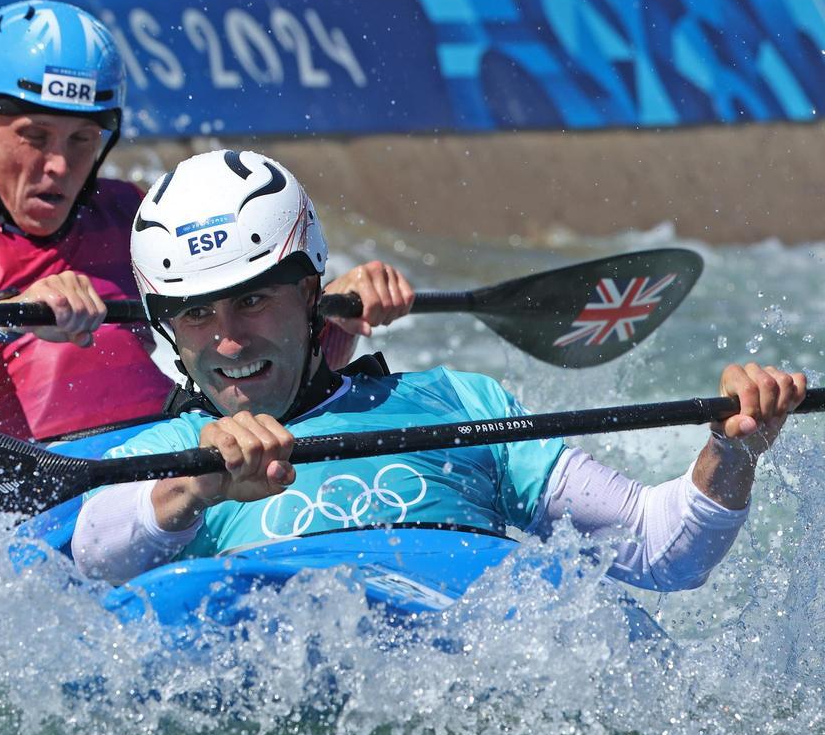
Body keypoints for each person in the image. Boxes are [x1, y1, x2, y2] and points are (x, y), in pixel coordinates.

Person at [71, 149, 808, 590]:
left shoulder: (458, 403)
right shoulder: (164, 463)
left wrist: (731, 449)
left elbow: (657, 552)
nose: (227, 340)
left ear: (308, 295)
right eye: (197, 315)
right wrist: (197, 485)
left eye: (253, 301)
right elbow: (94, 560)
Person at [0, 0, 412, 440]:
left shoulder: (136, 217)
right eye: (34, 137)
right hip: (1, 486)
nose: (59, 165)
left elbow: (256, 357)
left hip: (157, 462)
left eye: (81, 140)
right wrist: (13, 314)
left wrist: (329, 307)